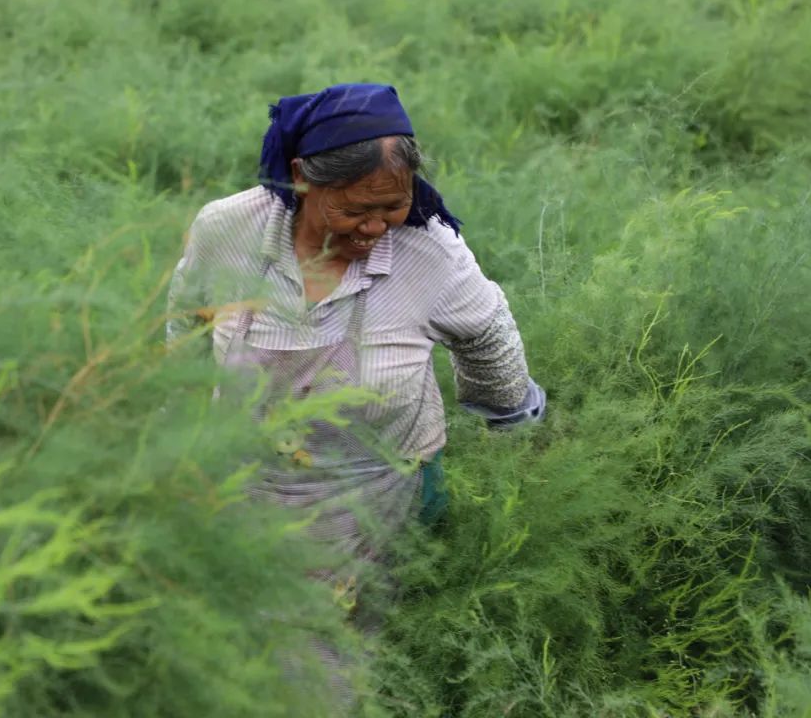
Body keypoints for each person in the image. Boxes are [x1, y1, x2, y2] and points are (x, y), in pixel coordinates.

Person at [166, 82, 544, 619]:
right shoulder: (229, 229)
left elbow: (488, 334)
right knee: (247, 625)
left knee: (378, 629)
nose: (374, 228)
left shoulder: (430, 250)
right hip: (251, 481)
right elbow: (185, 323)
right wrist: (176, 426)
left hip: (385, 486)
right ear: (300, 178)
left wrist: (508, 418)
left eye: (393, 205)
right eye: (354, 211)